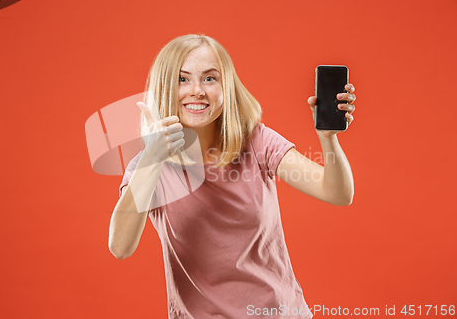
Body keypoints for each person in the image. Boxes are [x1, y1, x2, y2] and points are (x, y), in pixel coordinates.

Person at [108, 34, 356, 319]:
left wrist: (328, 139)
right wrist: (151, 161)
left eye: (210, 79)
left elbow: (338, 193)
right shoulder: (149, 165)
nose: (197, 91)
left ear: (226, 86)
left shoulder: (257, 141)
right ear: (165, 88)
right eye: (182, 79)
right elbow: (120, 247)